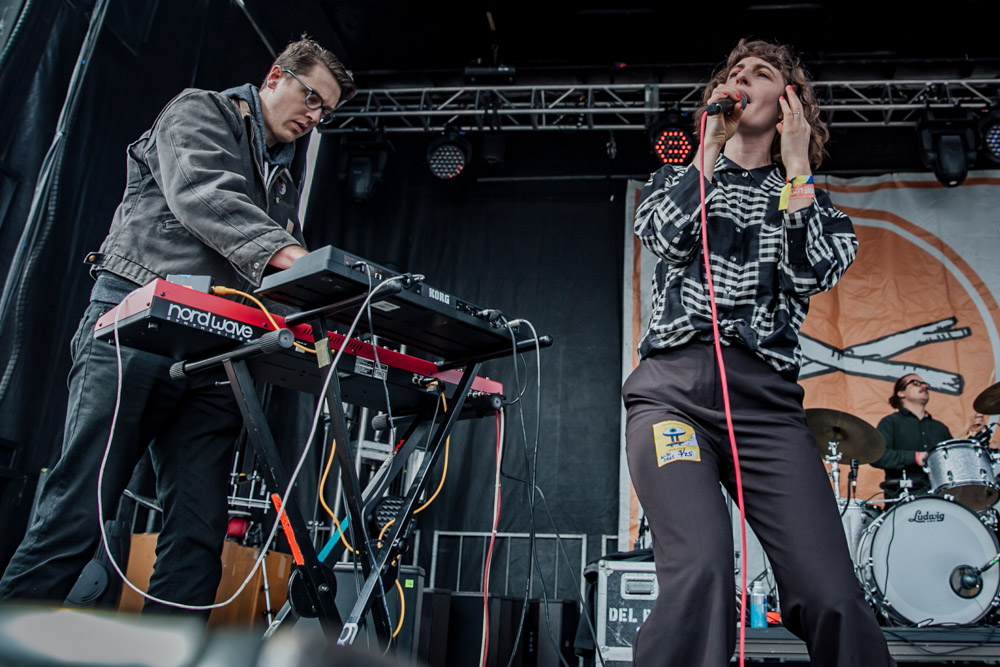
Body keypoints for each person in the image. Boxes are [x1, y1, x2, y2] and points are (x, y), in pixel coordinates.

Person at [0, 38, 355, 615]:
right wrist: (304, 262)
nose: (314, 117)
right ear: (275, 76)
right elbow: (202, 193)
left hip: (218, 354)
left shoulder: (284, 180)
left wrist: (328, 304)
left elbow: (274, 278)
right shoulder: (200, 110)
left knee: (198, 534)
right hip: (136, 327)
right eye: (311, 98)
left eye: (325, 113)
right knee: (78, 510)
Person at [622, 39, 894, 665]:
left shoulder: (815, 207)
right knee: (702, 570)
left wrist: (797, 168)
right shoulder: (677, 180)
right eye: (734, 73)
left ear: (789, 103)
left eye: (761, 74)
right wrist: (707, 154)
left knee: (832, 595)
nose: (742, 80)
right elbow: (665, 238)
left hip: (767, 410)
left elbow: (813, 267)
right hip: (673, 396)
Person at [870, 374, 952, 498]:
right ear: (901, 393)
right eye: (916, 383)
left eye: (925, 384)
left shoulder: (940, 428)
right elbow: (877, 456)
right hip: (903, 498)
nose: (924, 386)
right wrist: (915, 457)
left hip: (940, 498)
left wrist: (972, 433)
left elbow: (953, 460)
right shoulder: (890, 422)